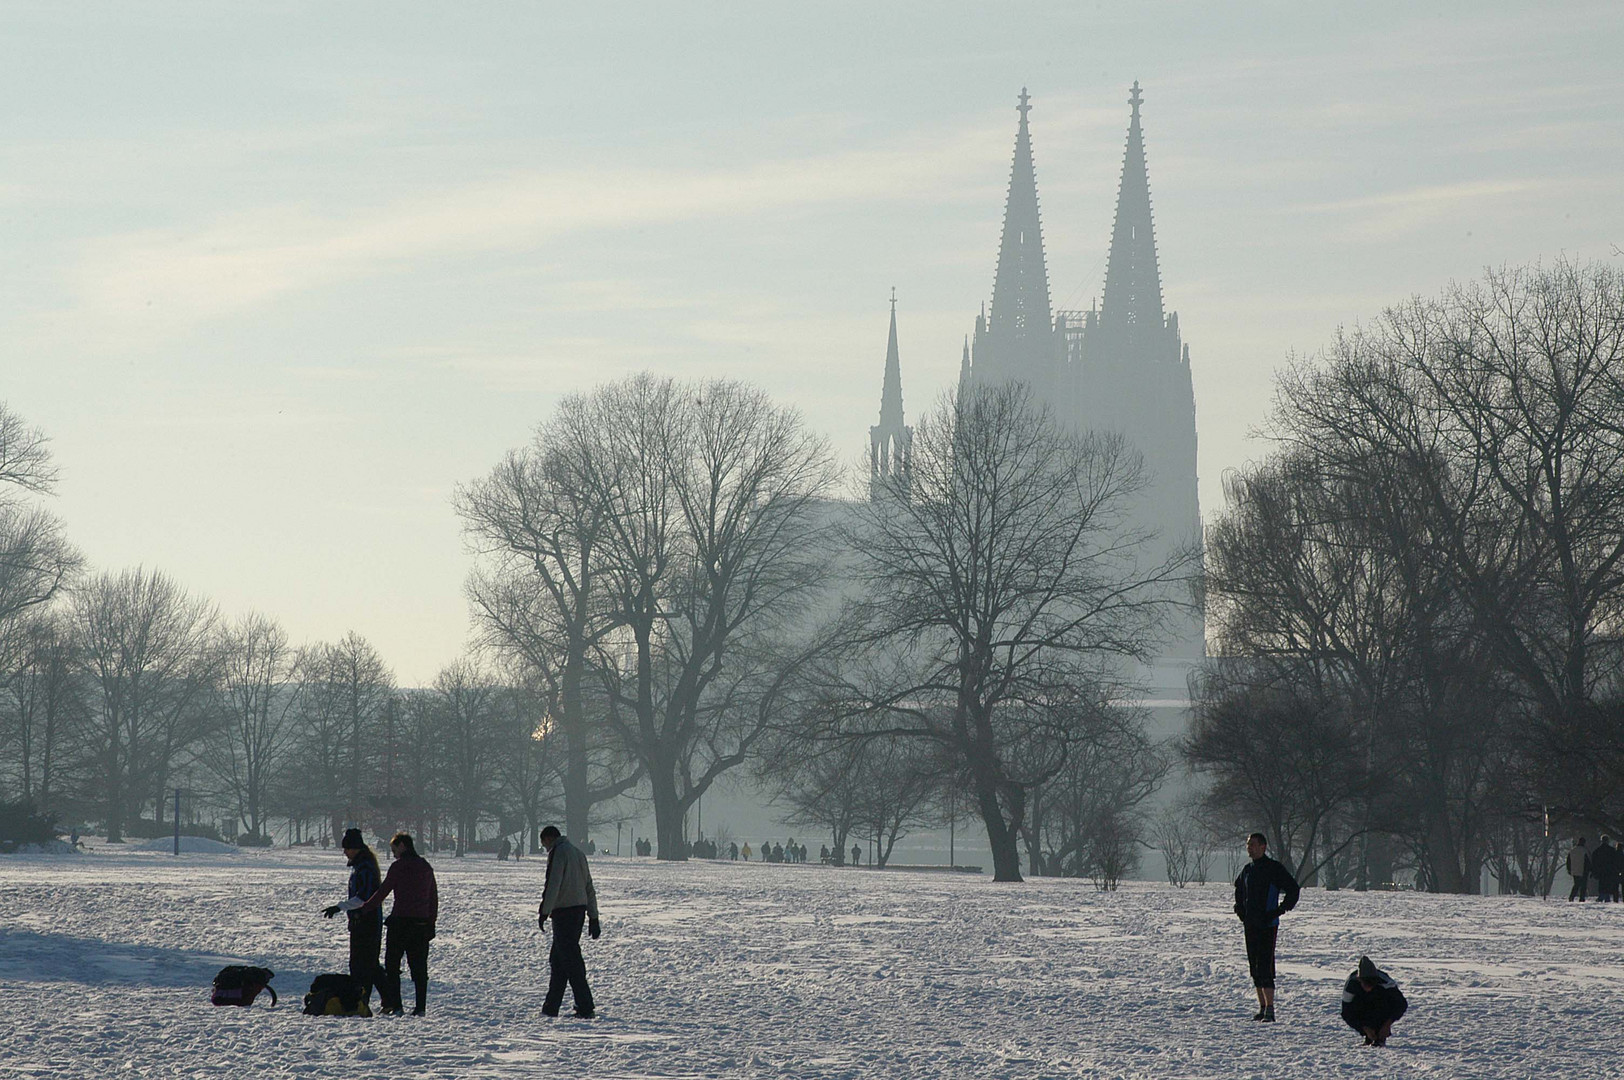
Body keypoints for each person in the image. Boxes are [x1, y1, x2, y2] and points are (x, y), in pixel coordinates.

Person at [359, 831, 438, 1016]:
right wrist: (431, 923)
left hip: (400, 924)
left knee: (392, 967)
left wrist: (364, 909)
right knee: (419, 968)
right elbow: (433, 898)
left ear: (403, 846)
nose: (393, 853)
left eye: (394, 849)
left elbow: (382, 892)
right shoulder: (426, 867)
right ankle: (420, 1008)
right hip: (420, 925)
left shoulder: (398, 867)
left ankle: (397, 1005)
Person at [1233, 832, 1300, 1022]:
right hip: (1250, 924)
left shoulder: (1273, 868)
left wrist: (1280, 910)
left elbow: (1293, 890)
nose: (1249, 848)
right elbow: (1239, 890)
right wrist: (1239, 909)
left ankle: (1270, 1009)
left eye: (1253, 845)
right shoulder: (1247, 870)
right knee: (1254, 966)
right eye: (1248, 845)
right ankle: (1261, 1007)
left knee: (1265, 966)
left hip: (1268, 925)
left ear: (1263, 847)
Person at [538, 824, 600, 1019]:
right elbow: (588, 885)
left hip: (563, 913)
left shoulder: (558, 853)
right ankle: (551, 1006)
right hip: (579, 912)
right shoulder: (578, 853)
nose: (545, 849)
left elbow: (553, 883)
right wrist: (593, 916)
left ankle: (585, 1005)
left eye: (544, 844)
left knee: (570, 960)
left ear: (548, 839)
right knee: (558, 960)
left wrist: (544, 911)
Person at [321, 828, 382, 1010]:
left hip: (367, 922)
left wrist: (340, 907)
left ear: (355, 848)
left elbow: (363, 898)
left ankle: (364, 1000)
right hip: (359, 921)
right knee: (366, 964)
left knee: (364, 965)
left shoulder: (365, 868)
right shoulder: (360, 866)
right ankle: (370, 999)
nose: (344, 852)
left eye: (346, 848)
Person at [1341, 955, 1407, 1046]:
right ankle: (1369, 1035)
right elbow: (1346, 1012)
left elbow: (1401, 1004)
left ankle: (1380, 1035)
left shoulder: (1386, 982)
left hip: (1381, 1004)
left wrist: (1388, 1023)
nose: (1369, 988)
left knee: (1380, 1001)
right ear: (1359, 980)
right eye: (1366, 984)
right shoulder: (1351, 985)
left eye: (1372, 984)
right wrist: (1363, 1028)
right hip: (1361, 1006)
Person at [1593, 836, 1621, 902]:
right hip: (1609, 870)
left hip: (1600, 870)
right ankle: (1606, 897)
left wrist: (1594, 871)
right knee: (1608, 883)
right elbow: (1615, 861)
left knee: (1601, 883)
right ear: (1608, 841)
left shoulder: (1597, 851)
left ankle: (1601, 896)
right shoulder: (1612, 850)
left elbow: (1594, 861)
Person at [1567, 837, 1590, 901]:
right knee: (1583, 885)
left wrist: (1569, 869)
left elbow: (1568, 861)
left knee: (1576, 884)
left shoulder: (1572, 850)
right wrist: (1589, 869)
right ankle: (1582, 897)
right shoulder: (1585, 850)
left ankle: (1572, 896)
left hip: (1574, 870)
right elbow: (1588, 861)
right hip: (1583, 870)